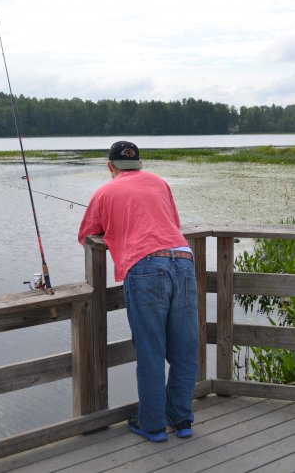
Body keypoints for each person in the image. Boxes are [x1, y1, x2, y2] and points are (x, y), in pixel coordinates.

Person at [78, 140, 198, 443]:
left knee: (150, 352)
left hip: (145, 267)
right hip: (182, 260)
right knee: (184, 350)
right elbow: (174, 224)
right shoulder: (159, 183)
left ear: (110, 166)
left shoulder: (104, 192)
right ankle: (182, 419)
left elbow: (86, 235)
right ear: (140, 164)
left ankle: (154, 426)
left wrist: (113, 230)